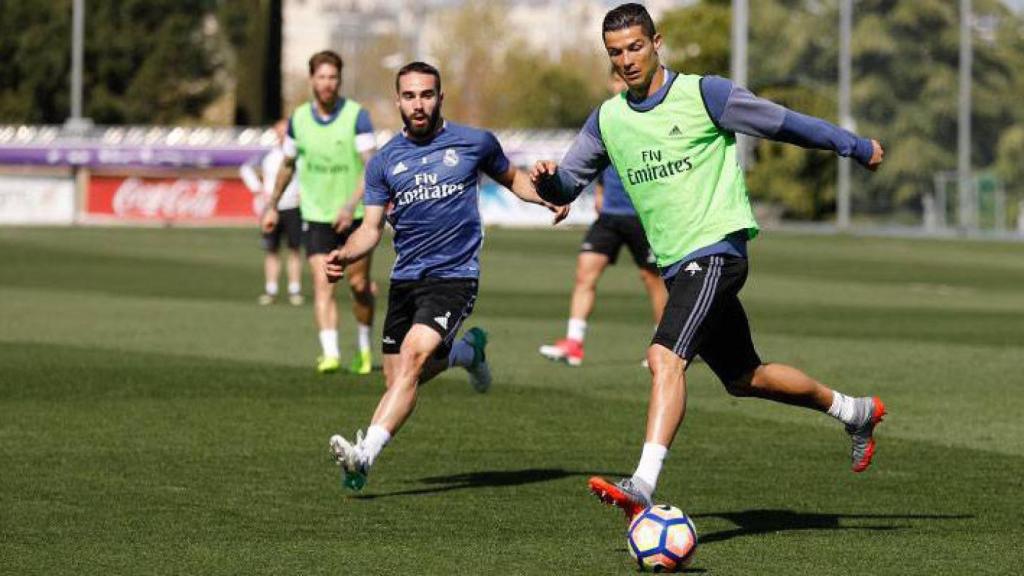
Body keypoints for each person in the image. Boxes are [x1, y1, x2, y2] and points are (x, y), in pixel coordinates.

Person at [532, 3, 887, 518]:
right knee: (746, 378)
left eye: (635, 46)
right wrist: (548, 182)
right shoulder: (608, 119)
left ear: (657, 43)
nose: (627, 60)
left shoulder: (704, 94)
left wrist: (852, 145)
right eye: (615, 53)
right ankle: (852, 410)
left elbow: (784, 123)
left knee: (665, 358)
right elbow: (568, 181)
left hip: (718, 250)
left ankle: (643, 486)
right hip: (679, 267)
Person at [326, 61, 568, 491]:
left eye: (426, 95)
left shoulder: (474, 143)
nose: (418, 104)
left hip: (455, 276)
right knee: (400, 376)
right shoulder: (383, 163)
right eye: (409, 96)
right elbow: (370, 229)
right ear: (397, 100)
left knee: (414, 360)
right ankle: (468, 354)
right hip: (406, 278)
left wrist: (549, 197)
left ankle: (364, 456)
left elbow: (513, 179)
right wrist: (344, 256)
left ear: (440, 97)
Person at [539, 72, 667, 367]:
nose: (622, 86)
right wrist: (598, 189)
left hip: (643, 216)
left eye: (626, 80)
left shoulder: (649, 116)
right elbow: (593, 159)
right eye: (617, 81)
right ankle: (573, 344)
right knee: (585, 272)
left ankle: (664, 346)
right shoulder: (607, 117)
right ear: (612, 83)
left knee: (652, 279)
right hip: (610, 214)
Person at [262, 50, 377, 376]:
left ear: (339, 81)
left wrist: (349, 204)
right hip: (314, 215)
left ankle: (365, 349)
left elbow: (371, 167)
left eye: (333, 78)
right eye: (322, 77)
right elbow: (287, 164)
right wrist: (272, 204)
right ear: (312, 79)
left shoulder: (357, 116)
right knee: (323, 282)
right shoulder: (298, 120)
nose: (327, 84)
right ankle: (330, 354)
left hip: (355, 217)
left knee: (358, 285)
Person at [241, 119, 304, 306]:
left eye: (286, 130)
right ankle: (271, 289)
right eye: (279, 130)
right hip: (271, 209)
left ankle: (294, 290)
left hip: (293, 206)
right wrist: (258, 189)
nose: (282, 134)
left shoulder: (299, 155)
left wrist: (303, 193)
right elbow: (245, 168)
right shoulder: (268, 155)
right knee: (271, 250)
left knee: (294, 250)